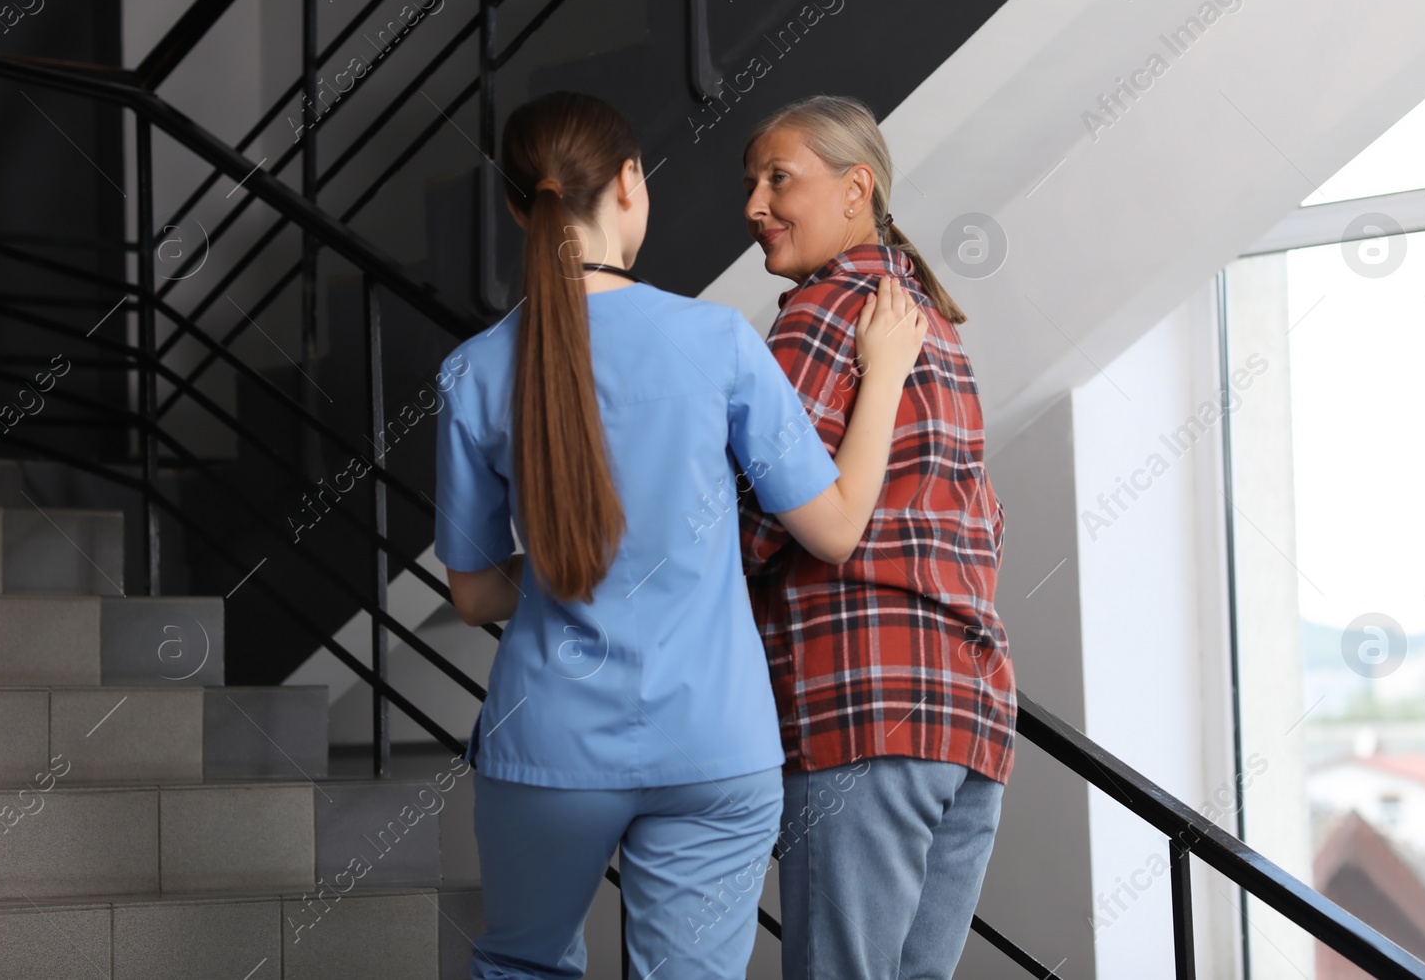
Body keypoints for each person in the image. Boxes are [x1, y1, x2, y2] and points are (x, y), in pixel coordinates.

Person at [432, 90, 927, 980]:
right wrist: (883, 370)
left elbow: (472, 596)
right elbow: (837, 528)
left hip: (548, 745)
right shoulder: (719, 342)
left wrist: (555, 561)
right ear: (630, 184)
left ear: (517, 206)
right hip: (714, 744)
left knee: (521, 966)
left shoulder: (472, 371)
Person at [738, 94, 1018, 980]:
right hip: (966, 714)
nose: (754, 203)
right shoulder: (924, 317)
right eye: (751, 182)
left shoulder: (822, 310)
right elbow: (984, 521)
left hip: (862, 707)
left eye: (778, 178)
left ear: (856, 187)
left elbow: (749, 516)